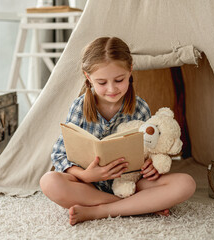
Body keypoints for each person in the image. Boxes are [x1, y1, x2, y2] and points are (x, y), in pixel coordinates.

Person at [39, 37, 196, 226]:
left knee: (186, 184)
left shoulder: (140, 107)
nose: (112, 89)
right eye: (102, 82)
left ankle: (101, 211)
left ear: (130, 71)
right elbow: (59, 154)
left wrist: (151, 166)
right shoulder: (80, 107)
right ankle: (139, 206)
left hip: (130, 182)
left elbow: (150, 148)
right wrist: (86, 175)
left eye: (119, 80)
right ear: (88, 78)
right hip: (90, 185)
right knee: (49, 181)